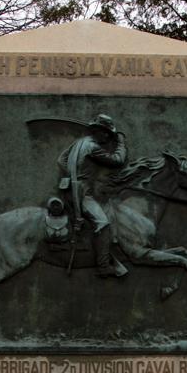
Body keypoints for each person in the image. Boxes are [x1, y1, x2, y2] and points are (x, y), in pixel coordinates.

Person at [57, 114, 128, 277]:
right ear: (101, 132)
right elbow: (118, 160)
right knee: (103, 223)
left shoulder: (78, 142)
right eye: (108, 135)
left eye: (111, 136)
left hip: (68, 189)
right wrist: (121, 142)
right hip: (81, 194)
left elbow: (60, 159)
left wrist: (72, 174)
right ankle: (103, 267)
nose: (108, 138)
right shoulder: (93, 147)